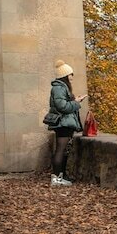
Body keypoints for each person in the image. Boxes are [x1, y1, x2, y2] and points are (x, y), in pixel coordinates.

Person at [47, 59, 87, 187]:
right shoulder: (59, 88)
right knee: (60, 150)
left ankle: (61, 176)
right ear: (65, 75)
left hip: (65, 123)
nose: (72, 77)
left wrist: (75, 100)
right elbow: (62, 107)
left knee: (63, 150)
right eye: (71, 74)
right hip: (63, 123)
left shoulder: (61, 88)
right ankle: (56, 178)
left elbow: (64, 103)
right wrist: (76, 103)